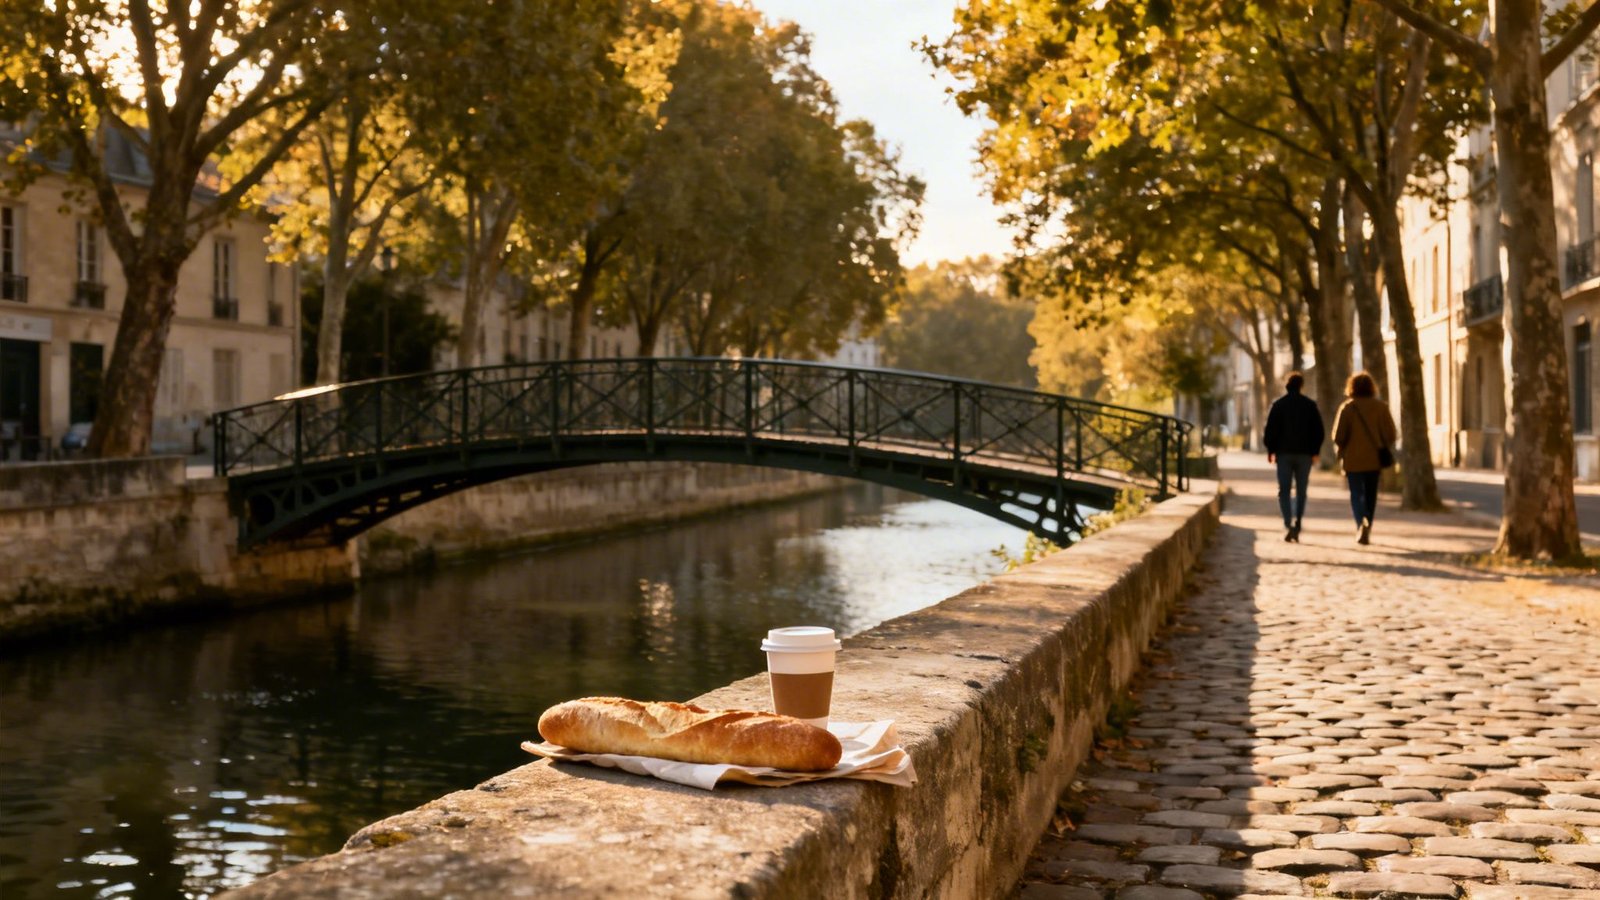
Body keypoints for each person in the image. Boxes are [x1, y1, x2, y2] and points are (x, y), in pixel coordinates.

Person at [1332, 371, 1398, 545]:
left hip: (1352, 460)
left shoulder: (1347, 408)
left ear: (1351, 387)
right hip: (1374, 460)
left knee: (1356, 494)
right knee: (1371, 495)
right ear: (1371, 387)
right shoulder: (1381, 407)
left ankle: (1360, 523)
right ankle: (1368, 522)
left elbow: (1338, 436)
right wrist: (1381, 443)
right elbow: (1391, 434)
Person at [1262, 371, 1324, 543]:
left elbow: (1270, 431)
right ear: (1301, 386)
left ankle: (1288, 522)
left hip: (1284, 454)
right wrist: (1315, 451)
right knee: (1301, 490)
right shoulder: (1310, 405)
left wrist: (1271, 451)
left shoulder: (1278, 405)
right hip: (1305, 454)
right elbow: (1319, 431)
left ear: (1287, 385)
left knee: (1284, 490)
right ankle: (1298, 522)